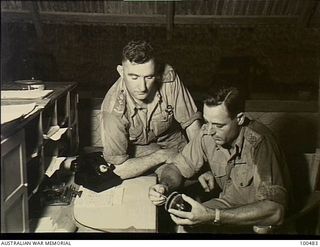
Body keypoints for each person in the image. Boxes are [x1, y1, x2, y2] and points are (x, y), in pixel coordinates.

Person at [149, 86, 291, 233]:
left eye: (219, 125)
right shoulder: (208, 134)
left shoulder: (260, 143)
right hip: (227, 207)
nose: (210, 130)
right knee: (185, 225)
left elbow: (275, 211)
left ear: (240, 118)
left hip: (258, 217)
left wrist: (214, 216)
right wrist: (164, 185)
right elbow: (177, 167)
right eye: (207, 122)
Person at [100, 40, 202, 180]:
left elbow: (192, 125)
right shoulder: (113, 110)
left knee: (194, 176)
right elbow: (117, 170)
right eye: (134, 77)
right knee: (167, 181)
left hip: (172, 139)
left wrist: (200, 165)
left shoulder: (168, 78)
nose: (142, 87)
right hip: (137, 149)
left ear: (157, 70)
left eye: (149, 77)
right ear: (121, 71)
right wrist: (162, 156)